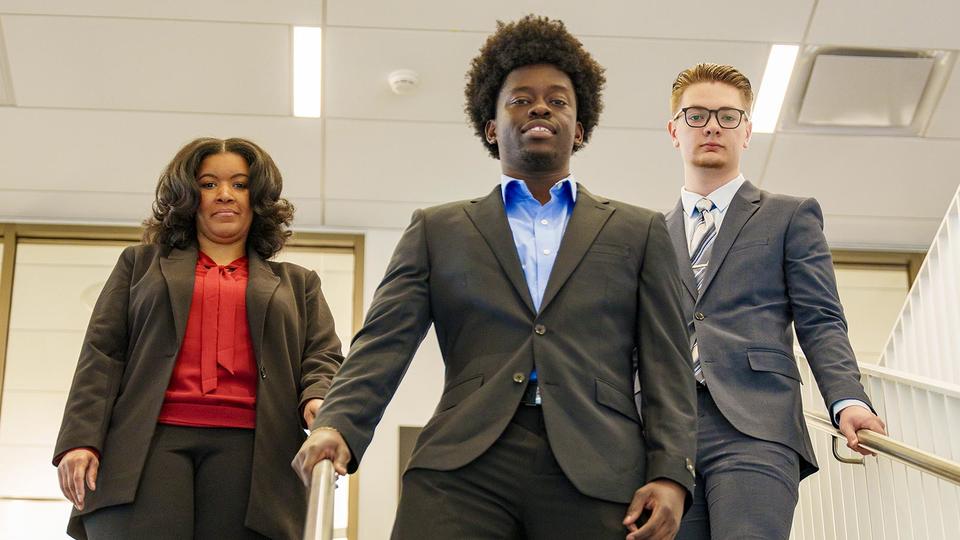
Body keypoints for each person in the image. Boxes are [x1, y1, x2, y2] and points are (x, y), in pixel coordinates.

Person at [292, 15, 696, 540]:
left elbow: (667, 363)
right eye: (520, 98)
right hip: (461, 469)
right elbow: (382, 343)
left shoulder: (639, 231)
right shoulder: (438, 229)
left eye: (558, 99)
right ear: (490, 127)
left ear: (579, 129)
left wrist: (671, 472)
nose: (540, 107)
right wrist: (336, 424)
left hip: (599, 469)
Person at [53, 137, 344, 539]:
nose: (225, 195)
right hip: (147, 443)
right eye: (209, 184)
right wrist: (80, 440)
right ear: (189, 197)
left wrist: (318, 399)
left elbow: (322, 356)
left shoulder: (298, 284)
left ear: (257, 198)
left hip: (256, 450)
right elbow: (102, 354)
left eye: (240, 184)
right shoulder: (139, 265)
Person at [662, 63, 888, 539]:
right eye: (697, 115)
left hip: (755, 426)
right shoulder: (646, 236)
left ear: (746, 131)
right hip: (661, 432)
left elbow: (821, 319)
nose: (711, 127)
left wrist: (846, 400)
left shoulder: (789, 216)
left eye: (727, 116)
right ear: (674, 130)